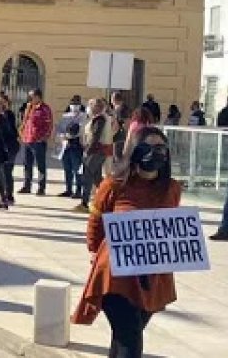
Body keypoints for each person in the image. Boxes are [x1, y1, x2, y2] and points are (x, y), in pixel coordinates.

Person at [73, 126, 179, 357]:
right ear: (134, 150)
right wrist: (95, 252)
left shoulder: (171, 188)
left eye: (160, 148)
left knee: (125, 337)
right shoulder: (114, 185)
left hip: (151, 277)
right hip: (116, 277)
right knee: (130, 342)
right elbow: (96, 222)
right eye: (147, 147)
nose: (154, 153)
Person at [76, 98, 116, 213]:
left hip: (96, 151)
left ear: (97, 107)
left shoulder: (99, 119)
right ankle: (112, 198)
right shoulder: (103, 118)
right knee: (97, 178)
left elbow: (95, 137)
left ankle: (84, 203)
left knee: (87, 175)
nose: (88, 108)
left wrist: (87, 151)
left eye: (90, 105)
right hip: (101, 151)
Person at [19, 89, 54, 196]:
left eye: (32, 96)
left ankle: (41, 187)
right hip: (27, 139)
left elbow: (49, 125)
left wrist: (44, 137)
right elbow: (25, 122)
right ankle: (27, 186)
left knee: (40, 165)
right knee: (27, 164)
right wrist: (22, 133)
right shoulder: (29, 107)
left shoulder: (45, 109)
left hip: (38, 141)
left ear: (38, 97)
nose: (30, 98)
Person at [58, 100, 88, 198]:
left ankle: (78, 190)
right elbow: (60, 130)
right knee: (67, 168)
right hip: (66, 145)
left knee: (77, 169)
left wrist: (73, 134)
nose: (74, 106)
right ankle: (68, 189)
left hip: (77, 144)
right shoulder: (65, 116)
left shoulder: (84, 116)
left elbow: (83, 131)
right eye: (73, 104)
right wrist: (63, 137)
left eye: (76, 104)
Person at [0, 95, 20, 204]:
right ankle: (7, 195)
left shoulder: (8, 115)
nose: (1, 105)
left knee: (6, 171)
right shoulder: (2, 115)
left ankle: (9, 196)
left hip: (9, 146)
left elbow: (7, 131)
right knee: (5, 171)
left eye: (3, 102)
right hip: (8, 146)